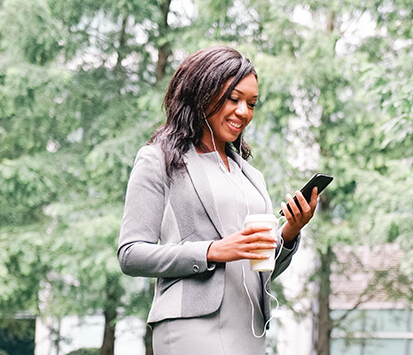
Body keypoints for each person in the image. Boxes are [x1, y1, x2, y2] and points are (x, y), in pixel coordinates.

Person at [117, 46, 318, 355]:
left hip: (248, 326)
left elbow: (259, 268)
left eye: (251, 103)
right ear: (202, 94)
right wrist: (212, 251)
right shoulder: (158, 160)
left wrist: (290, 232)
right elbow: (131, 254)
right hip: (191, 326)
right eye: (233, 99)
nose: (244, 112)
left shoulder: (250, 176)